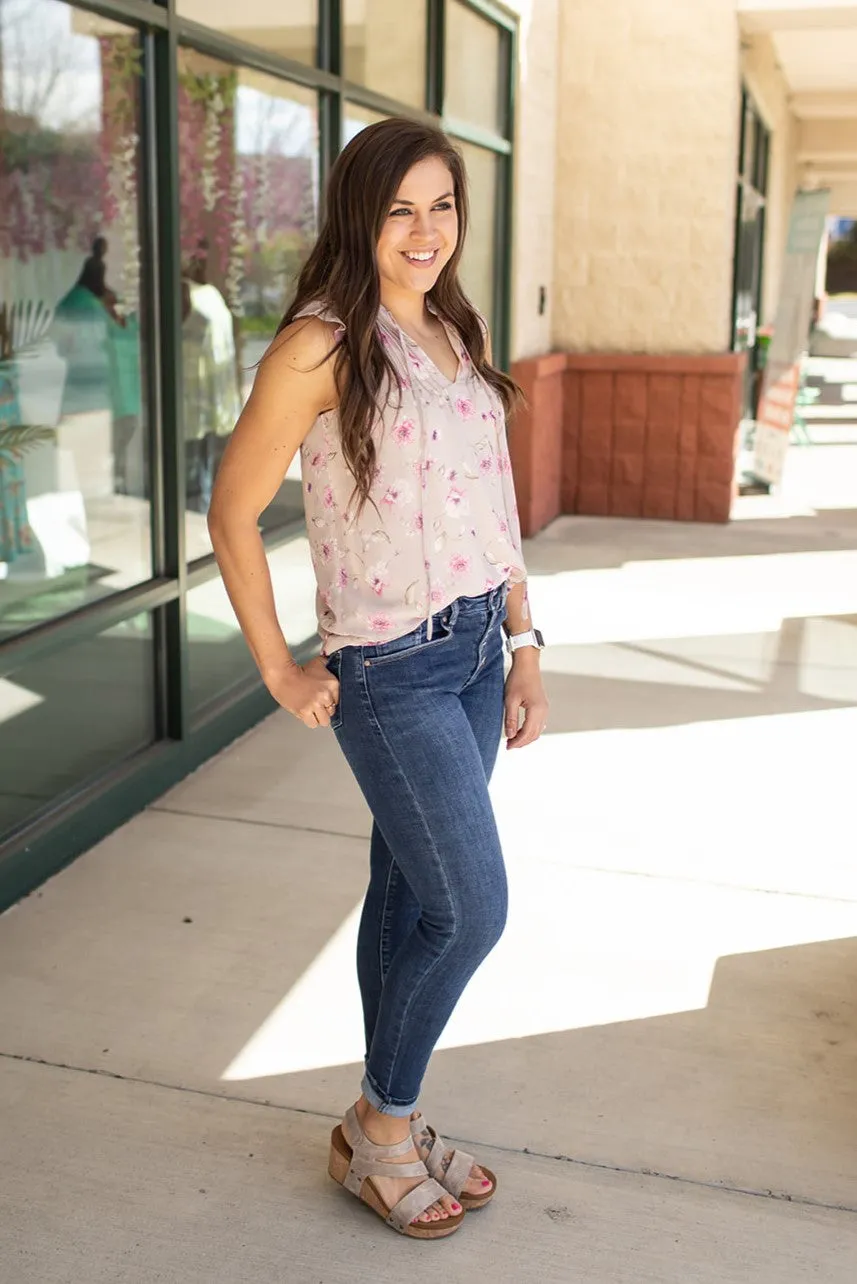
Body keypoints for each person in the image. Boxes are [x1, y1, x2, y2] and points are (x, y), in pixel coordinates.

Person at [207, 117, 549, 1240]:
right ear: (359, 214)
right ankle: (382, 1122)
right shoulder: (320, 344)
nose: (424, 231)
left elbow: (491, 500)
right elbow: (233, 508)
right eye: (399, 208)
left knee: (410, 896)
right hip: (390, 670)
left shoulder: (456, 326)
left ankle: (382, 1122)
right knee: (471, 908)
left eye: (441, 206)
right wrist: (277, 667)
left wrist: (525, 639)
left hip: (471, 654)